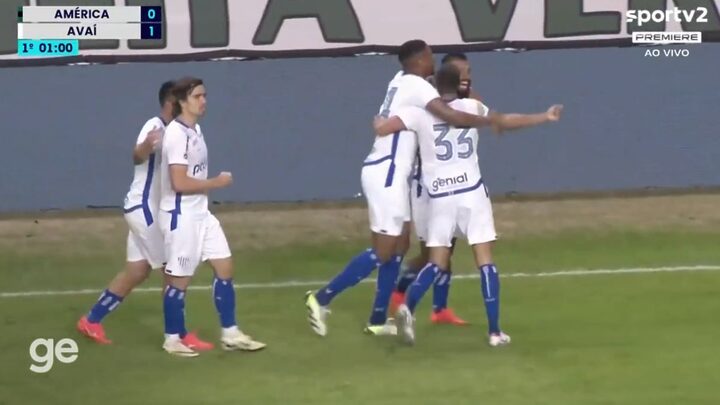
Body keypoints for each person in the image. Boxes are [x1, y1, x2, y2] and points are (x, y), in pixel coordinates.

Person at [304, 40, 498, 337]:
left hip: (390, 172)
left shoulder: (399, 80)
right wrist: (490, 120)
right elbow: (451, 114)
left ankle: (378, 319)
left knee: (401, 245)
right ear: (419, 61)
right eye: (430, 57)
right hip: (389, 172)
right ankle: (321, 299)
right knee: (383, 250)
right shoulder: (418, 86)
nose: (433, 62)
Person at [374, 64, 563, 346]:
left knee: (436, 262)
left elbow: (383, 129)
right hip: (472, 193)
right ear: (459, 85)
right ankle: (495, 332)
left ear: (433, 87)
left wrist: (381, 117)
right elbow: (505, 121)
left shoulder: (419, 112)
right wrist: (544, 117)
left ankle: (407, 309)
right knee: (485, 260)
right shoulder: (473, 107)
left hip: (440, 197)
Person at [76, 81, 213, 351]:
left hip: (149, 210)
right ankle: (178, 335)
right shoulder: (155, 126)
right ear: (170, 103)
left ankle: (91, 320)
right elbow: (137, 155)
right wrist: (147, 146)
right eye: (181, 99)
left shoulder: (183, 130)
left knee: (137, 271)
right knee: (173, 270)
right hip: (144, 209)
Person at [158, 77, 266, 356]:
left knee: (225, 266)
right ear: (182, 101)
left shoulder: (196, 130)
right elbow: (178, 182)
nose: (203, 101)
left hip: (201, 214)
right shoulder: (176, 134)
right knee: (179, 281)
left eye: (204, 95)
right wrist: (215, 183)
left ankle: (230, 333)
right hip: (181, 216)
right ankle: (172, 339)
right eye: (197, 96)